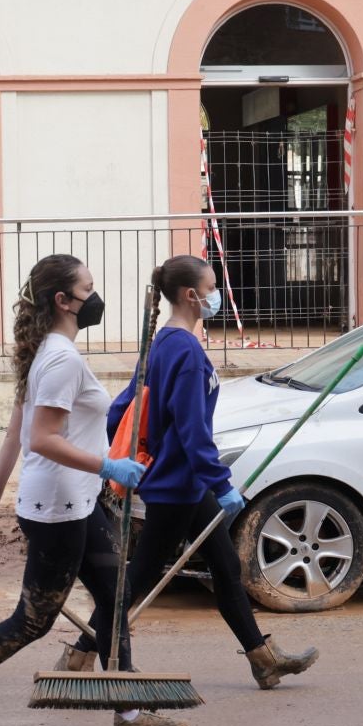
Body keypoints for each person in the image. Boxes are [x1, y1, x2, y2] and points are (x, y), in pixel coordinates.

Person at [0, 254, 191, 726]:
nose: (95, 296)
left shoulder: (49, 351)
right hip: (59, 507)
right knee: (32, 621)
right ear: (63, 301)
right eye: (88, 288)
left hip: (77, 501)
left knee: (113, 601)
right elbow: (40, 437)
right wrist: (109, 467)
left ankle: (127, 714)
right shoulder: (59, 359)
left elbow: (18, 427)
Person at [67, 254, 318, 689]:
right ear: (191, 295)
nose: (217, 295)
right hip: (178, 485)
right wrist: (220, 483)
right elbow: (191, 430)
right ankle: (81, 653)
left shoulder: (163, 341)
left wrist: (143, 456)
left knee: (224, 565)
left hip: (183, 481)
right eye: (212, 286)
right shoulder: (183, 350)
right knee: (141, 577)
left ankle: (263, 657)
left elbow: (122, 409)